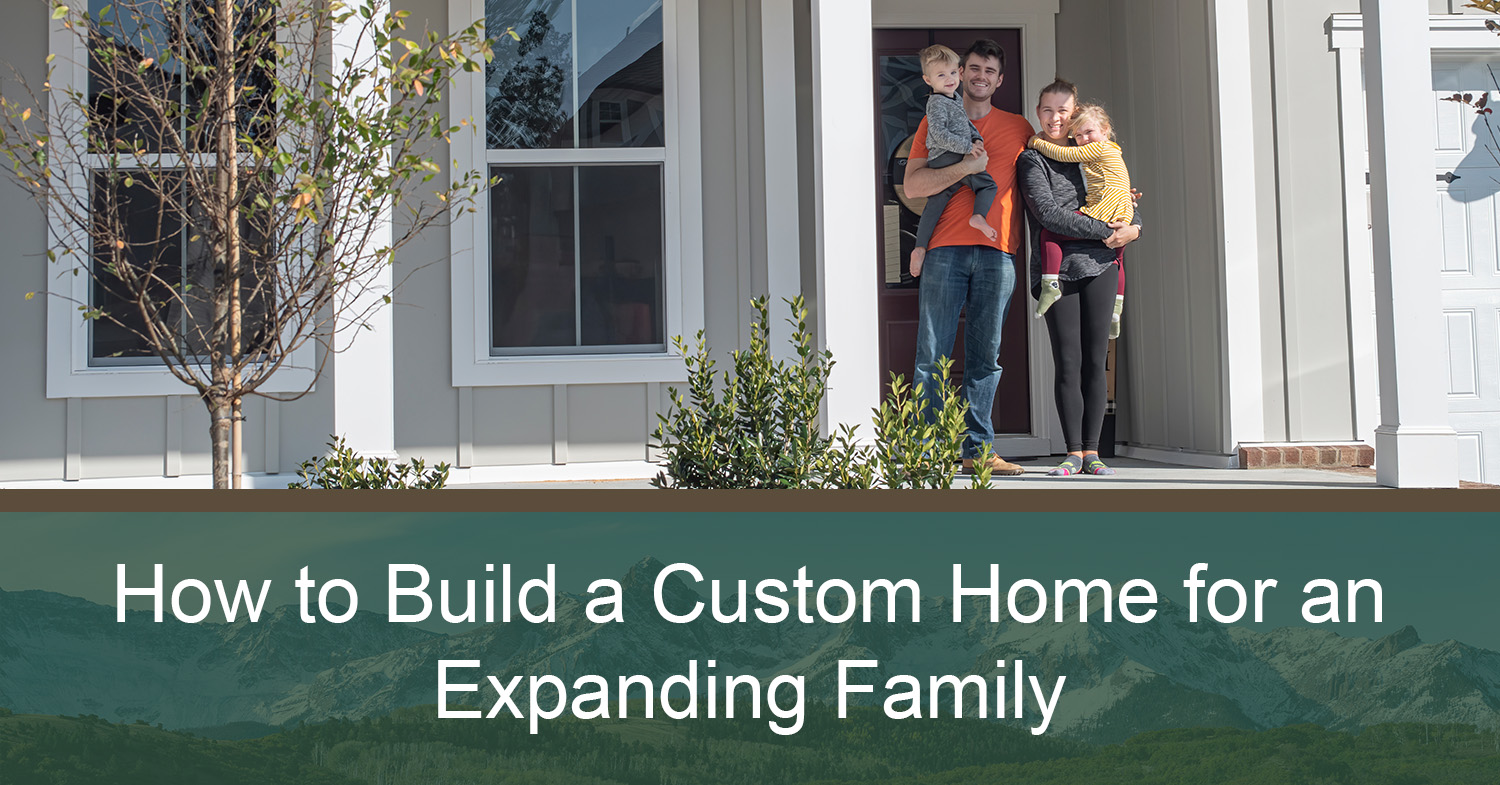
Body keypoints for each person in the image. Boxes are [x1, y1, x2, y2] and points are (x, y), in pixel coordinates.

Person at [904, 39, 1035, 476]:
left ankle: (977, 450)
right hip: (944, 249)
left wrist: (1124, 209)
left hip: (998, 254)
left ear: (999, 80)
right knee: (932, 354)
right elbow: (914, 188)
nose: (980, 76)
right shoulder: (935, 121)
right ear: (961, 72)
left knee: (985, 358)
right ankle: (926, 453)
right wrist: (965, 168)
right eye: (973, 67)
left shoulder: (1020, 129)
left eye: (989, 71)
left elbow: (1060, 177)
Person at [1017, 79, 1142, 477]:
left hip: (1103, 267)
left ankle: (1093, 451)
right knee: (1068, 361)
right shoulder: (1033, 159)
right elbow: (1048, 215)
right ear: (1039, 113)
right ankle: (1071, 451)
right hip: (1060, 272)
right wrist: (1108, 230)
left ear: (1073, 116)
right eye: (1048, 110)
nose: (1056, 118)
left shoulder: (1093, 154)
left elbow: (1122, 194)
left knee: (1095, 360)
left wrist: (1134, 226)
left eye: (1064, 111)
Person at [1027, 104, 1132, 336]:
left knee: (1049, 233)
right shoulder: (1112, 151)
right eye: (1079, 135)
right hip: (1122, 211)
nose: (1084, 139)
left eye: (1089, 132)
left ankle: (1050, 284)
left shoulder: (1098, 149)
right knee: (1118, 258)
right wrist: (1132, 226)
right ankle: (1117, 306)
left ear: (1105, 130)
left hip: (1104, 211)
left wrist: (1036, 142)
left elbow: (1065, 154)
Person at [908, 44, 999, 278]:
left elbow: (965, 124)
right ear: (928, 80)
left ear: (958, 73)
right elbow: (938, 134)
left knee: (938, 200)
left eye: (951, 73)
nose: (948, 79)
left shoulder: (954, 99)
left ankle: (920, 247)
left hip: (951, 154)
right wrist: (969, 148)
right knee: (987, 184)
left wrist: (976, 138)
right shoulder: (937, 103)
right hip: (948, 155)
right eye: (940, 75)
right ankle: (978, 216)